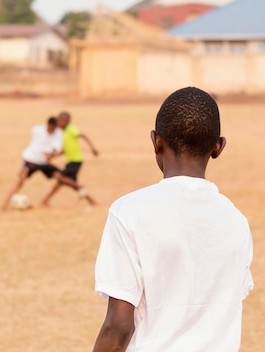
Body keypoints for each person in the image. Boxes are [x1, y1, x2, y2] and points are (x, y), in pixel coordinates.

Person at [92, 87, 254, 351]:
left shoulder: (129, 211)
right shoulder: (236, 221)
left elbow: (119, 325)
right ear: (218, 147)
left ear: (156, 141)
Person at [1, 117, 86, 211]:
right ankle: (4, 205)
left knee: (60, 176)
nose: (52, 130)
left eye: (54, 128)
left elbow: (56, 148)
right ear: (48, 125)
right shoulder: (37, 130)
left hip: (44, 162)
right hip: (31, 159)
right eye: (51, 127)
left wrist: (50, 155)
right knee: (21, 179)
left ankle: (79, 188)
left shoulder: (58, 134)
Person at [42, 111, 98, 207]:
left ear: (66, 121)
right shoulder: (63, 133)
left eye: (61, 120)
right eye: (58, 120)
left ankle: (79, 187)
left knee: (61, 178)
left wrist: (92, 148)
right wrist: (53, 156)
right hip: (71, 161)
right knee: (64, 182)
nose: (59, 122)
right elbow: (64, 150)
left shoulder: (71, 129)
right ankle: (91, 201)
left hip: (75, 161)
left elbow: (83, 136)